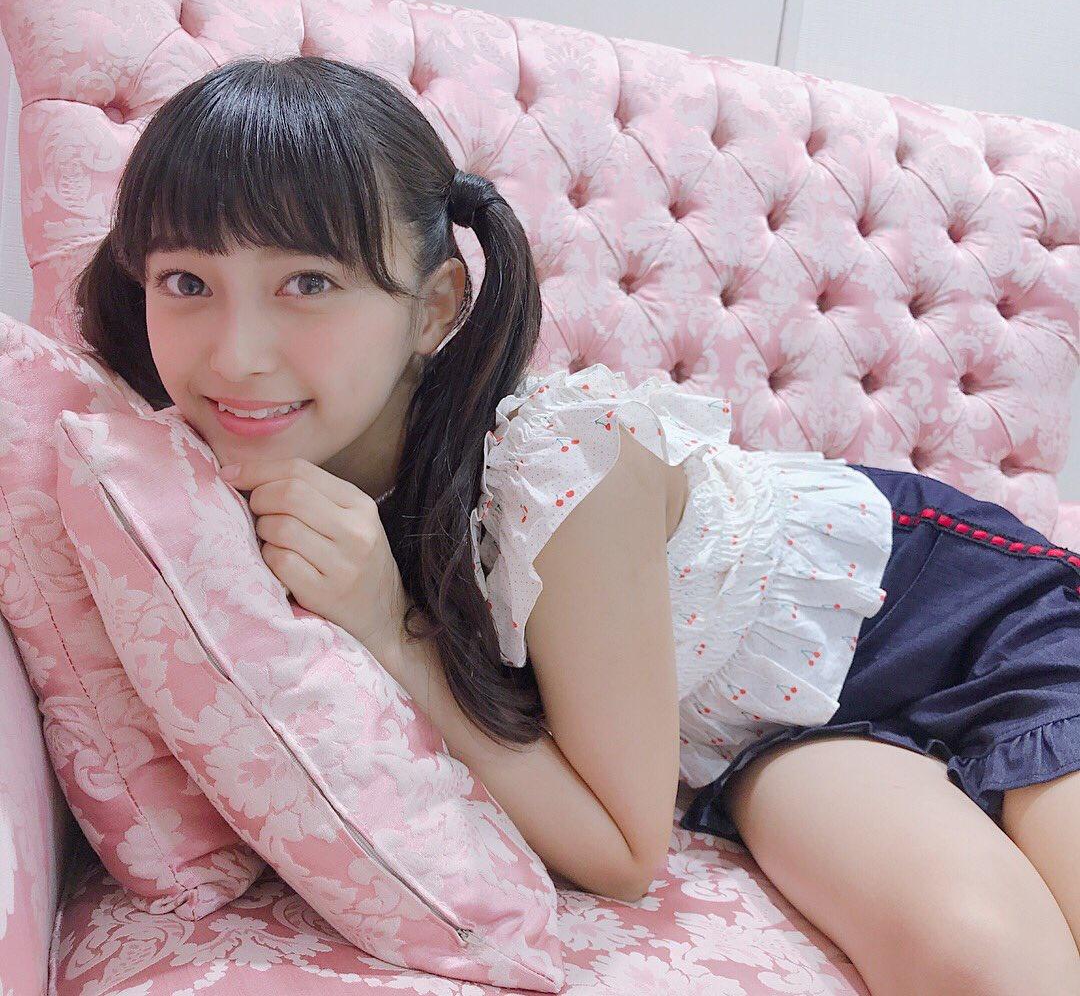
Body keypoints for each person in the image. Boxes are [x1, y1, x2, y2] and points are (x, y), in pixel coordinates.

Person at [67, 54, 1080, 992]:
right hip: (757, 733)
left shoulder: (562, 467)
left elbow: (623, 854)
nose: (235, 353)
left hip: (959, 619)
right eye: (186, 282)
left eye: (308, 284)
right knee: (983, 966)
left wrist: (389, 634)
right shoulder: (169, 469)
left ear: (435, 308)